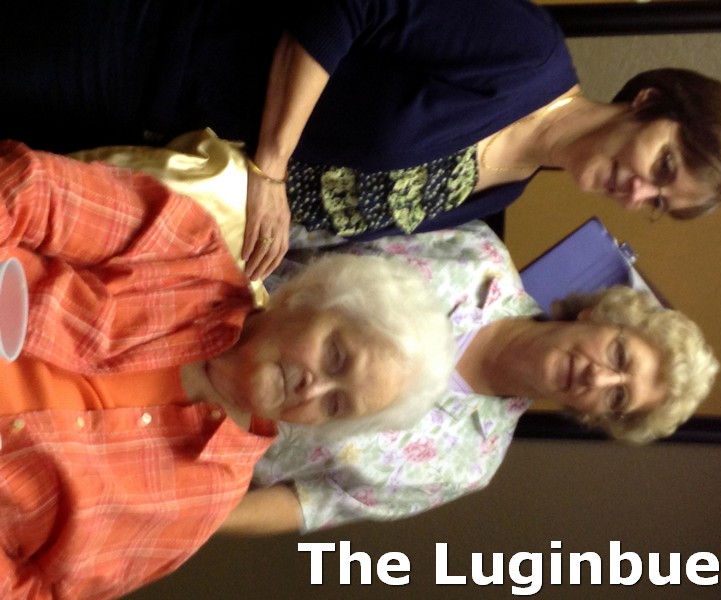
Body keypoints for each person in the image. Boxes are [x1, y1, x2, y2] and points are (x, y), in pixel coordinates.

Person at [0, 0, 721, 280]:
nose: (640, 191)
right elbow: (353, 4)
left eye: (659, 203)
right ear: (648, 102)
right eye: (663, 164)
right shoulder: (525, 53)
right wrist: (270, 167)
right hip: (145, 56)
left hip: (133, 170)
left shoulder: (496, 200)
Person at [0, 141, 454, 599]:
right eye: (335, 356)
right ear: (307, 298)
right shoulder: (186, 250)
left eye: (336, 404)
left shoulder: (200, 502)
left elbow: (39, 592)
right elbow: (29, 189)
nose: (313, 387)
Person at [220, 220, 719, 536]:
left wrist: (196, 515)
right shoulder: (477, 255)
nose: (600, 378)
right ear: (599, 316)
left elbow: (312, 503)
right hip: (211, 300)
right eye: (618, 355)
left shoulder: (469, 465)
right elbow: (307, 232)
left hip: (206, 430)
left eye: (617, 399)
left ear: (595, 416)